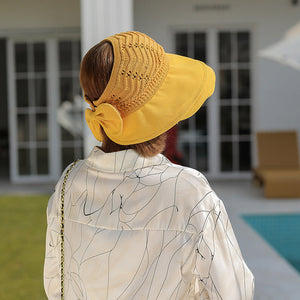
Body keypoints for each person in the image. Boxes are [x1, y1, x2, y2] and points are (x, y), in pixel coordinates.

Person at [44, 31, 254, 300]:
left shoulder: (69, 183)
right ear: (158, 110)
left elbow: (55, 284)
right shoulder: (188, 193)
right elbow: (233, 292)